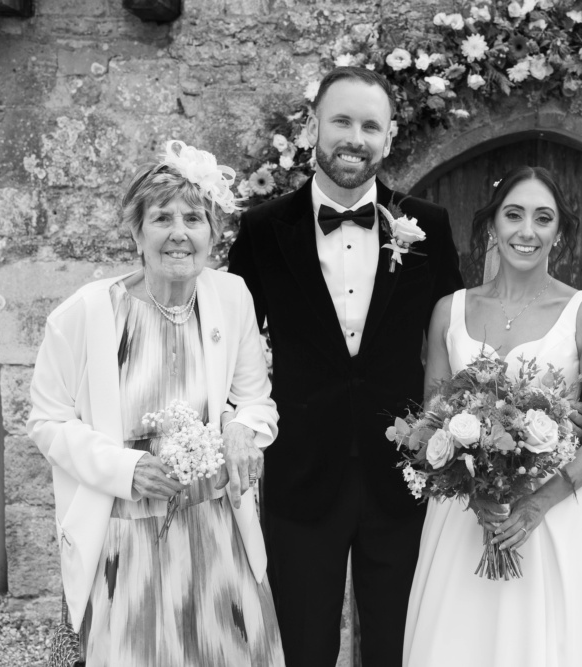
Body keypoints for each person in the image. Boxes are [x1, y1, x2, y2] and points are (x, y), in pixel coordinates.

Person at [227, 66, 463, 667]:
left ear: (389, 137)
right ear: (313, 128)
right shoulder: (261, 230)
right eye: (341, 121)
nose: (355, 138)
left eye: (370, 126)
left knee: (397, 647)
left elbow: (455, 337)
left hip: (403, 474)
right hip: (301, 472)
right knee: (303, 647)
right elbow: (229, 345)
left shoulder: (429, 227)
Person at [28, 141, 285, 666]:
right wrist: (127, 469)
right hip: (125, 539)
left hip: (217, 533)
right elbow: (47, 421)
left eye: (194, 218)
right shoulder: (84, 314)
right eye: (162, 218)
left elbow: (257, 401)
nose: (178, 233)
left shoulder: (231, 297)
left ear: (213, 232)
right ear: (136, 232)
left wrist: (242, 429)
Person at [403, 166, 582, 667]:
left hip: (556, 513)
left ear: (559, 233)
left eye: (543, 218)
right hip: (464, 518)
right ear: (492, 225)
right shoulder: (448, 311)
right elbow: (432, 419)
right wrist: (473, 489)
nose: (527, 231)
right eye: (514, 215)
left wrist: (537, 504)